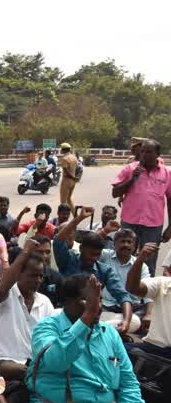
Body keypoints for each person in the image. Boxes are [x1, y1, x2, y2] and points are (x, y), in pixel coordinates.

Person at [23, 274, 164, 403]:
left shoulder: (110, 334)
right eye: (88, 301)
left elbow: (128, 384)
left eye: (98, 301)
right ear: (66, 302)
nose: (97, 307)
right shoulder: (46, 327)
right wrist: (84, 321)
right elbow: (54, 361)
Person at [54, 207, 136, 334]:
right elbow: (58, 241)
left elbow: (123, 296)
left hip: (93, 317)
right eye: (91, 254)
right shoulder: (68, 259)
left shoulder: (104, 270)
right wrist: (79, 218)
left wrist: (126, 321)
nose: (94, 258)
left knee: (134, 321)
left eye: (97, 255)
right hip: (65, 313)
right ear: (81, 249)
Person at [0, 239, 55, 381]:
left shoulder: (45, 302)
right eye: (33, 275)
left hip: (33, 363)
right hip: (2, 361)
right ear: (19, 274)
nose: (38, 280)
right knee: (30, 373)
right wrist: (25, 251)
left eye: (41, 276)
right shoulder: (6, 293)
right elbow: (6, 282)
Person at [112, 138, 170, 274]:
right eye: (142, 151)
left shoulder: (167, 173)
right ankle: (122, 286)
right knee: (124, 255)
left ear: (157, 154)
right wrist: (132, 179)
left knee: (149, 259)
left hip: (153, 224)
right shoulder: (130, 169)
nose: (144, 154)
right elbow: (115, 193)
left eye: (149, 152)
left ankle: (145, 289)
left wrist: (170, 228)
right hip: (129, 221)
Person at [98, 229, 153, 333]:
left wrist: (149, 314)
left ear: (134, 246)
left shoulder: (141, 265)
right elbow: (91, 245)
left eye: (129, 242)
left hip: (133, 308)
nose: (126, 245)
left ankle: (112, 328)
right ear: (114, 244)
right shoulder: (104, 256)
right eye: (122, 241)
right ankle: (120, 328)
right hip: (107, 306)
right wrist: (104, 231)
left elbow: (148, 291)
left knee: (143, 320)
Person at [127, 243, 171, 358]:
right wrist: (140, 260)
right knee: (116, 351)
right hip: (154, 348)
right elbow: (132, 287)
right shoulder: (163, 283)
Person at [29, 235, 64, 308]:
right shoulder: (18, 274)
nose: (45, 256)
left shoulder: (56, 277)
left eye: (47, 252)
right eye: (40, 252)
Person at [58, 142, 79, 210]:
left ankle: (63, 218)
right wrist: (75, 178)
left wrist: (73, 177)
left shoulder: (64, 159)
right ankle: (76, 216)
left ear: (63, 150)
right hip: (73, 181)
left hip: (67, 180)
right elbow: (77, 168)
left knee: (63, 202)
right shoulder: (74, 157)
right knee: (69, 199)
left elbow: (66, 172)